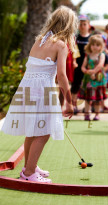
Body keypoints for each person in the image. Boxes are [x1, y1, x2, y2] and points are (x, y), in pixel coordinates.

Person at [1, 6, 78, 182]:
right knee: (44, 131)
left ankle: (30, 166)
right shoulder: (60, 44)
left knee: (33, 129)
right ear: (69, 25)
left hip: (27, 87)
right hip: (42, 88)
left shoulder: (39, 40)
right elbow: (61, 75)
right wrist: (69, 101)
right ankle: (29, 173)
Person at [78, 35, 107, 120]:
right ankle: (87, 114)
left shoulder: (101, 55)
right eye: (93, 44)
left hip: (98, 78)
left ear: (101, 46)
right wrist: (87, 72)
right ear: (90, 45)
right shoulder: (88, 55)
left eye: (97, 45)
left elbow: (100, 65)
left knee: (98, 98)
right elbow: (83, 67)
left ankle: (97, 114)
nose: (95, 47)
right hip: (89, 80)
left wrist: (93, 72)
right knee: (88, 98)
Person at [71, 14, 91, 114]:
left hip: (89, 67)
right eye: (80, 24)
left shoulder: (92, 39)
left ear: (88, 25)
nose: (82, 26)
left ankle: (87, 108)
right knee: (75, 86)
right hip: (77, 66)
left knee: (89, 87)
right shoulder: (75, 38)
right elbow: (72, 51)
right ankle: (73, 106)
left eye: (84, 24)